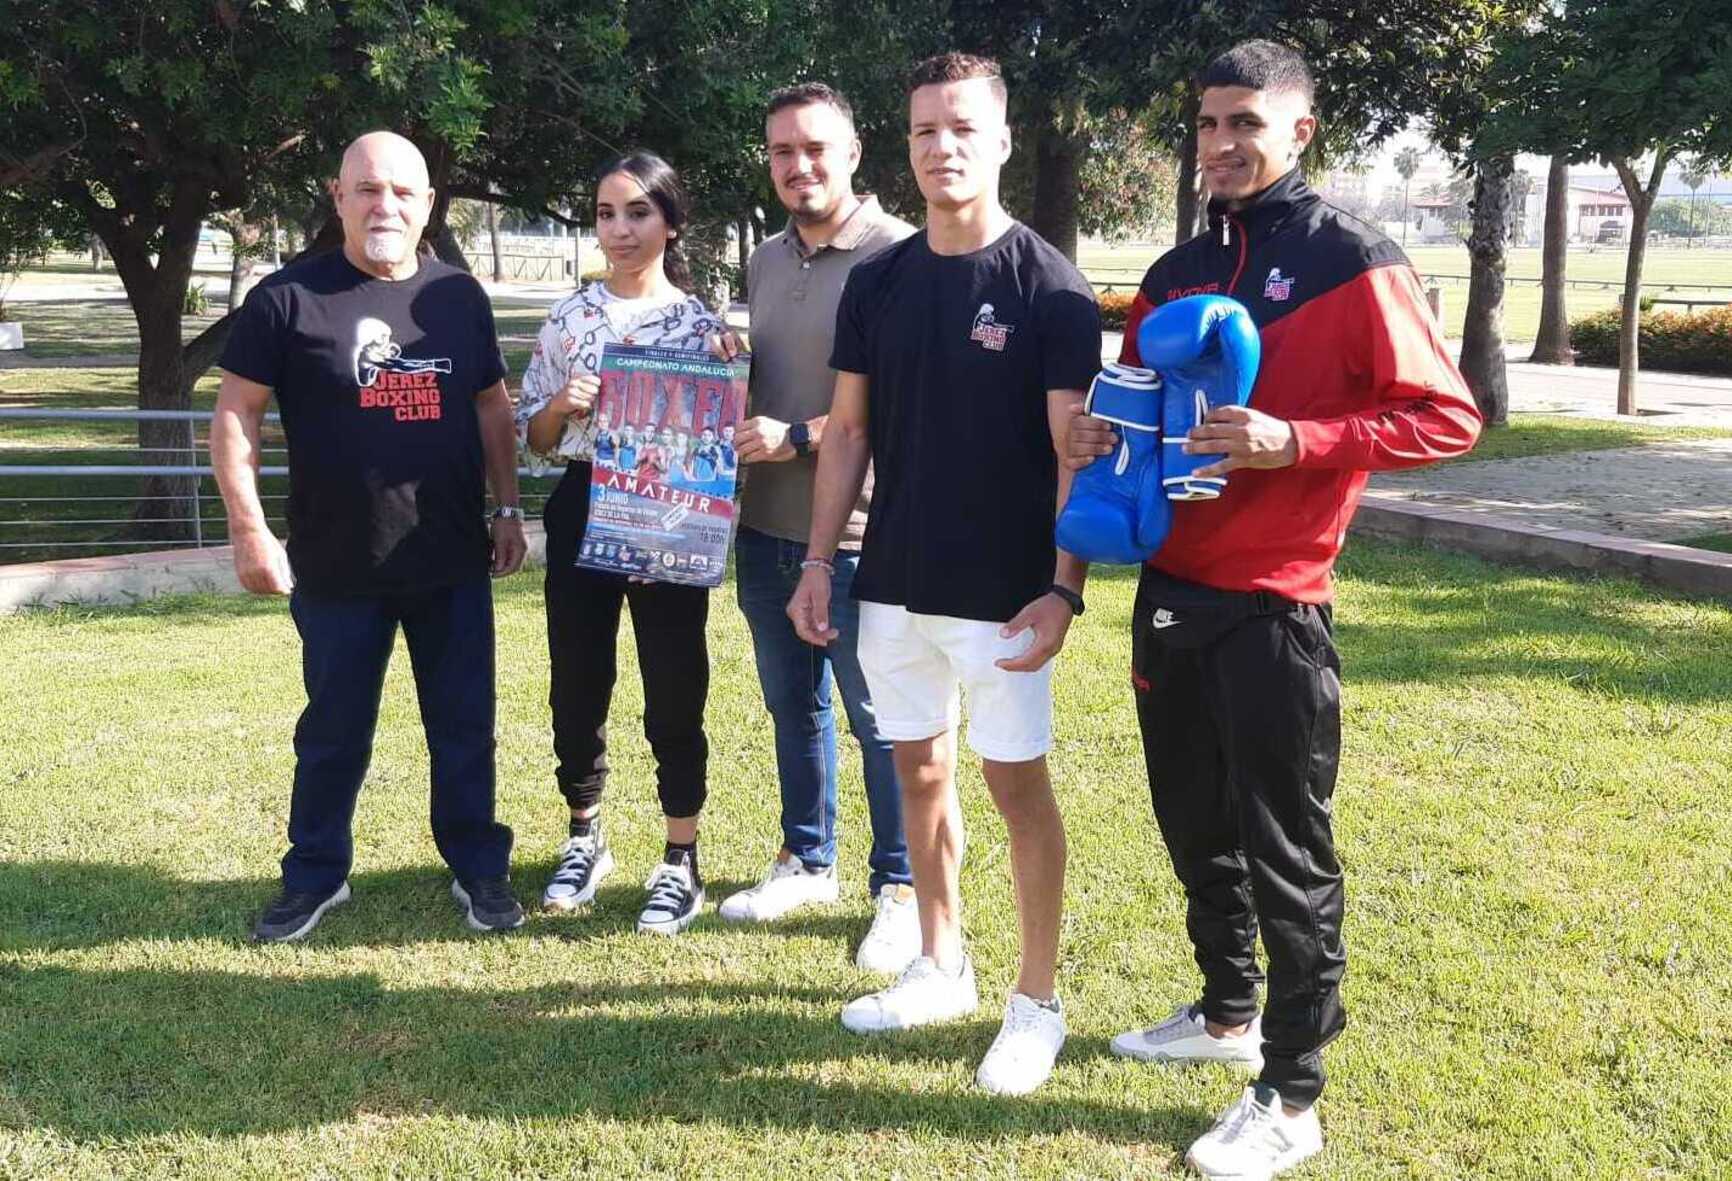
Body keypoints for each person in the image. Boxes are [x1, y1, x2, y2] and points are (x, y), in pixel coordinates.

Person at [1066, 41, 1482, 1178]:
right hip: (1170, 590)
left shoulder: (1350, 257)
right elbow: (1132, 409)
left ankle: (1292, 1093)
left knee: (1285, 849)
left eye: (1244, 122)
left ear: (1300, 130)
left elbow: (1446, 418)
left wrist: (1293, 440)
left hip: (1275, 604)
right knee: (1193, 823)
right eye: (1206, 123)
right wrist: (1095, 437)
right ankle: (1224, 1013)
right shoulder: (1176, 264)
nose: (1220, 143)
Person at [787, 54, 1100, 1095]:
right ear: (905, 145)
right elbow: (844, 433)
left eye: (962, 127)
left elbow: (1072, 452)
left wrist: (1063, 587)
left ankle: (1036, 1001)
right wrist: (821, 563)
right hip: (892, 584)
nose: (942, 147)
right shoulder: (878, 278)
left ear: (1001, 139)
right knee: (916, 773)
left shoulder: (1047, 285)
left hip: (1007, 592)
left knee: (1016, 787)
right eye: (924, 130)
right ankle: (939, 959)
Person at [212, 130, 528, 942]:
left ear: (427, 204)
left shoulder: (458, 297)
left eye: (402, 191)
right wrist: (249, 529)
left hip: (451, 557)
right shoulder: (287, 298)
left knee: (464, 725)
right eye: (367, 189)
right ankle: (315, 876)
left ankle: (478, 870)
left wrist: (505, 509)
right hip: (335, 562)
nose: (384, 204)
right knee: (333, 731)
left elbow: (492, 405)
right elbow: (235, 413)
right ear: (338, 195)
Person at [710, 82, 923, 975]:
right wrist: (727, 366)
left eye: (815, 148)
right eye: (781, 151)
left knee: (882, 719)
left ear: (854, 152)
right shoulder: (762, 260)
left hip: (864, 537)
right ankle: (807, 857)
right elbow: (780, 376)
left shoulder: (904, 258)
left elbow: (910, 407)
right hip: (764, 529)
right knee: (791, 703)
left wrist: (795, 435)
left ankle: (903, 890)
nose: (799, 166)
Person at [517, 150, 728, 936]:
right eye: (606, 213)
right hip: (583, 504)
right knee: (577, 681)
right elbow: (532, 437)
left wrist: (723, 376)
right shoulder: (571, 318)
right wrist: (560, 407)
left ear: (670, 223)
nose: (621, 229)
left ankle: (680, 859)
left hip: (668, 512)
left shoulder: (701, 326)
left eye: (638, 212)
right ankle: (584, 835)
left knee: (674, 686)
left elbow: (718, 436)